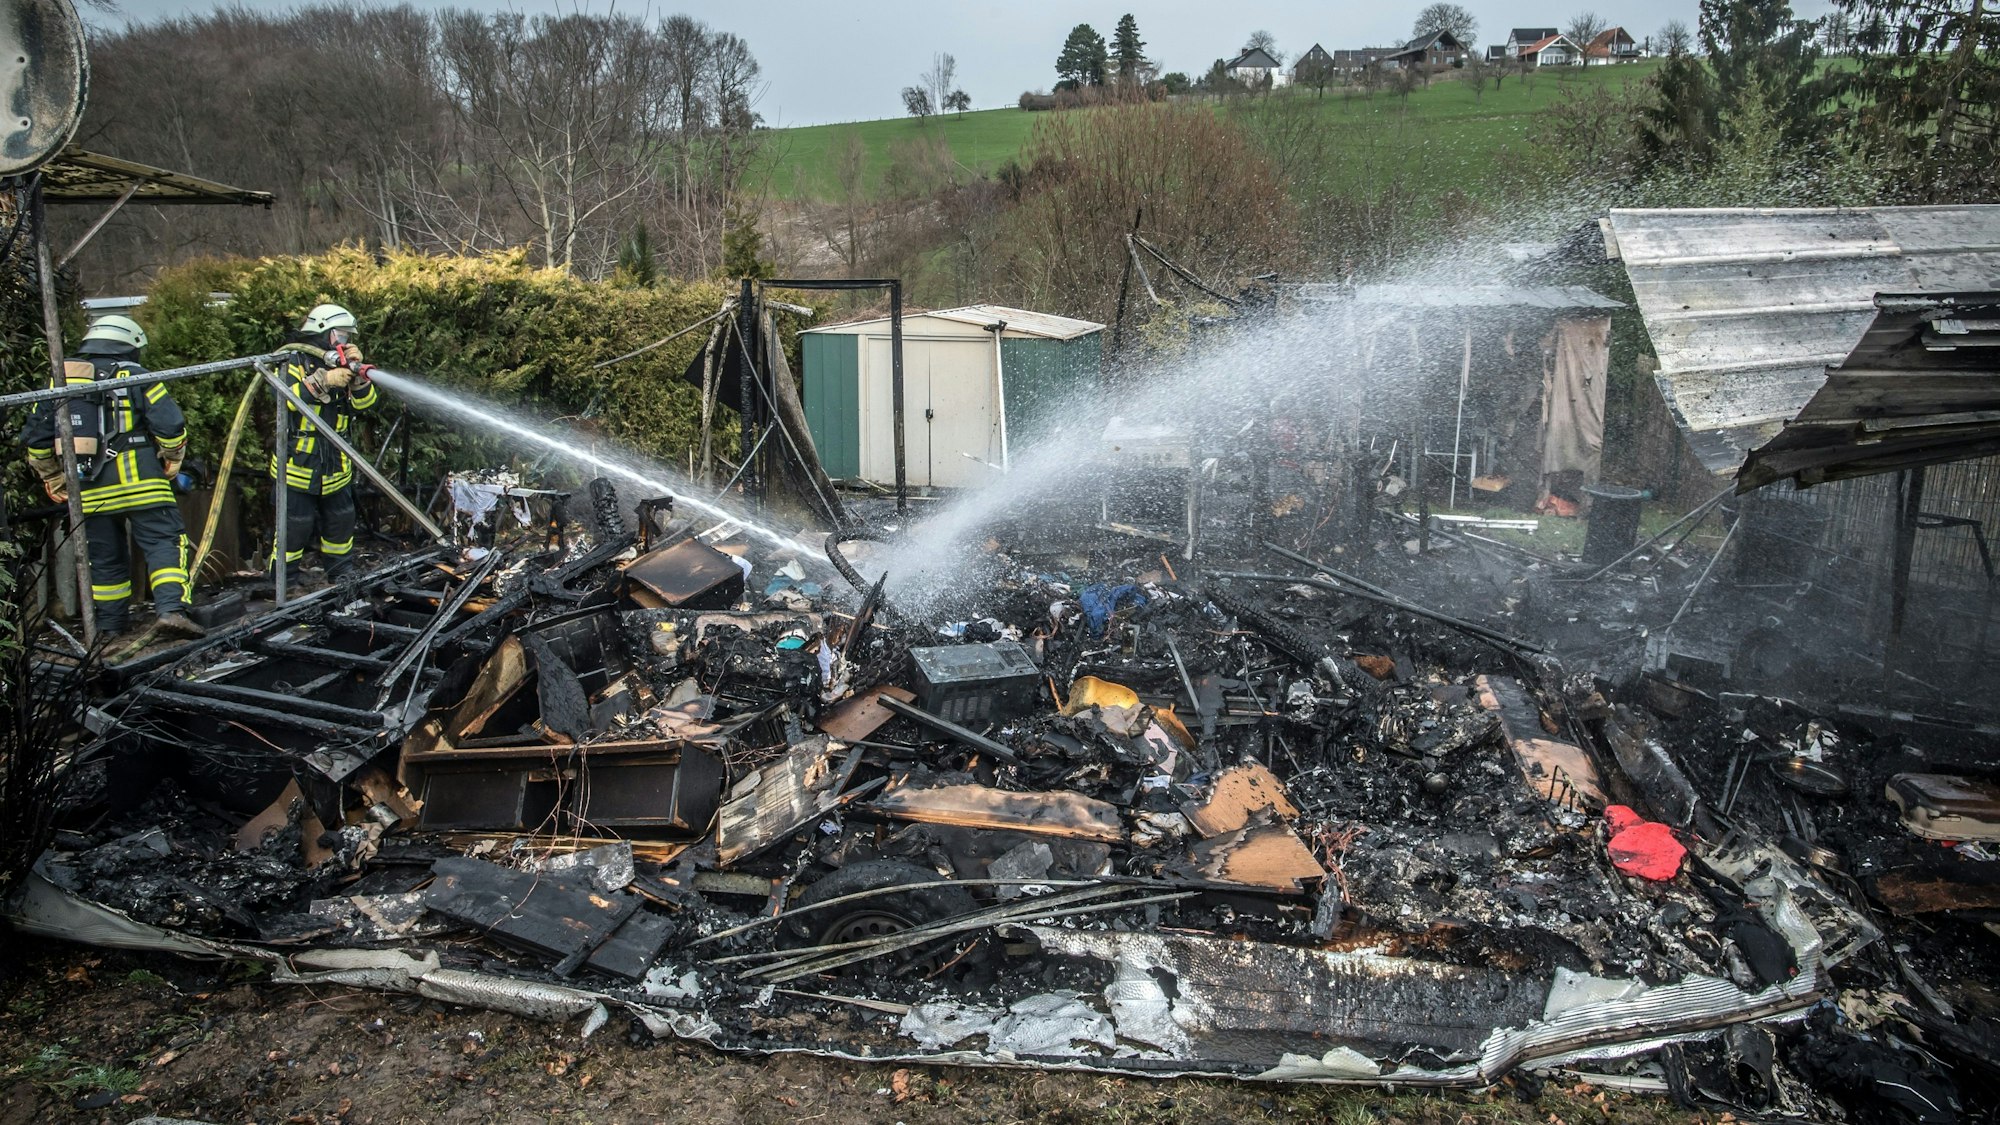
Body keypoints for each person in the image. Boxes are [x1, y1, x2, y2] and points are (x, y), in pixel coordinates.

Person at [20, 314, 205, 639]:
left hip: (89, 487)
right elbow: (171, 426)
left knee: (104, 558)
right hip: (142, 481)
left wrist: (54, 479)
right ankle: (171, 611)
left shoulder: (61, 381)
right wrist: (173, 460)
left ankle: (109, 628)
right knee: (163, 541)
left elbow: (36, 442)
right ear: (130, 345)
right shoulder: (136, 374)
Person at [269, 303, 377, 589]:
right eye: (340, 335)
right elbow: (283, 399)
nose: (345, 342)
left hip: (336, 462)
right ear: (324, 331)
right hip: (298, 461)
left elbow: (366, 405)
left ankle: (341, 574)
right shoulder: (291, 359)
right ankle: (284, 581)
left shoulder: (340, 361)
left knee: (341, 520)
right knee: (295, 524)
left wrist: (358, 380)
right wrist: (323, 381)